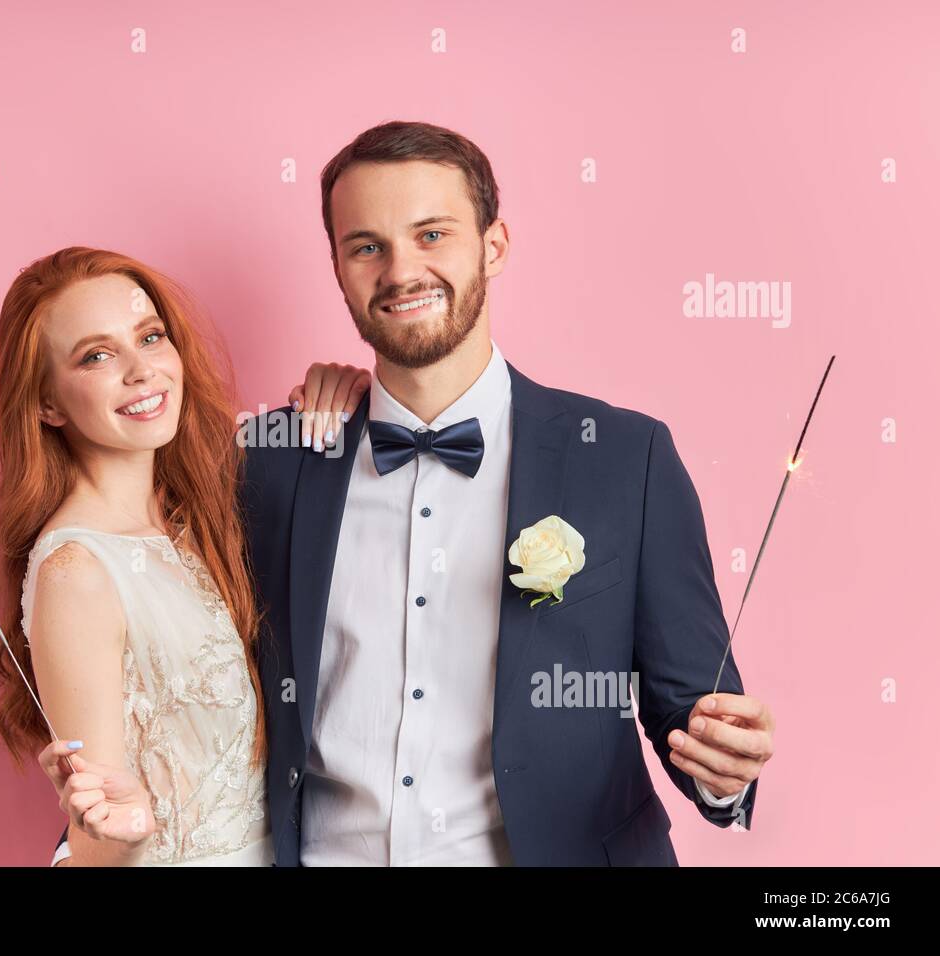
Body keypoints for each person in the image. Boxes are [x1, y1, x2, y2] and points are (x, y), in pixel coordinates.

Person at [46, 120, 776, 866]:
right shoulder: (267, 463)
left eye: (432, 235)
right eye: (367, 246)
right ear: (337, 267)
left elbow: (694, 709)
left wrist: (724, 768)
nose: (401, 272)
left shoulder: (627, 458)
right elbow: (175, 665)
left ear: (493, 245)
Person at [0, 246, 369, 866]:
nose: (141, 371)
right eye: (97, 355)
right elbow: (97, 837)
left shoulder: (198, 518)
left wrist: (345, 393)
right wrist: (125, 832)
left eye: (150, 336)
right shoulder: (76, 572)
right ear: (47, 404)